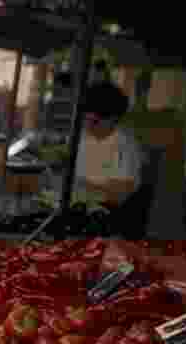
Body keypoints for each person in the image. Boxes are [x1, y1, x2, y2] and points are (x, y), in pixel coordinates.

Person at [75, 81, 146, 237]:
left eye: (94, 121)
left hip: (106, 219)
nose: (88, 126)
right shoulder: (84, 139)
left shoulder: (126, 146)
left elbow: (118, 196)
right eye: (85, 119)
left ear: (113, 118)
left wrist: (83, 186)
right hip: (80, 210)